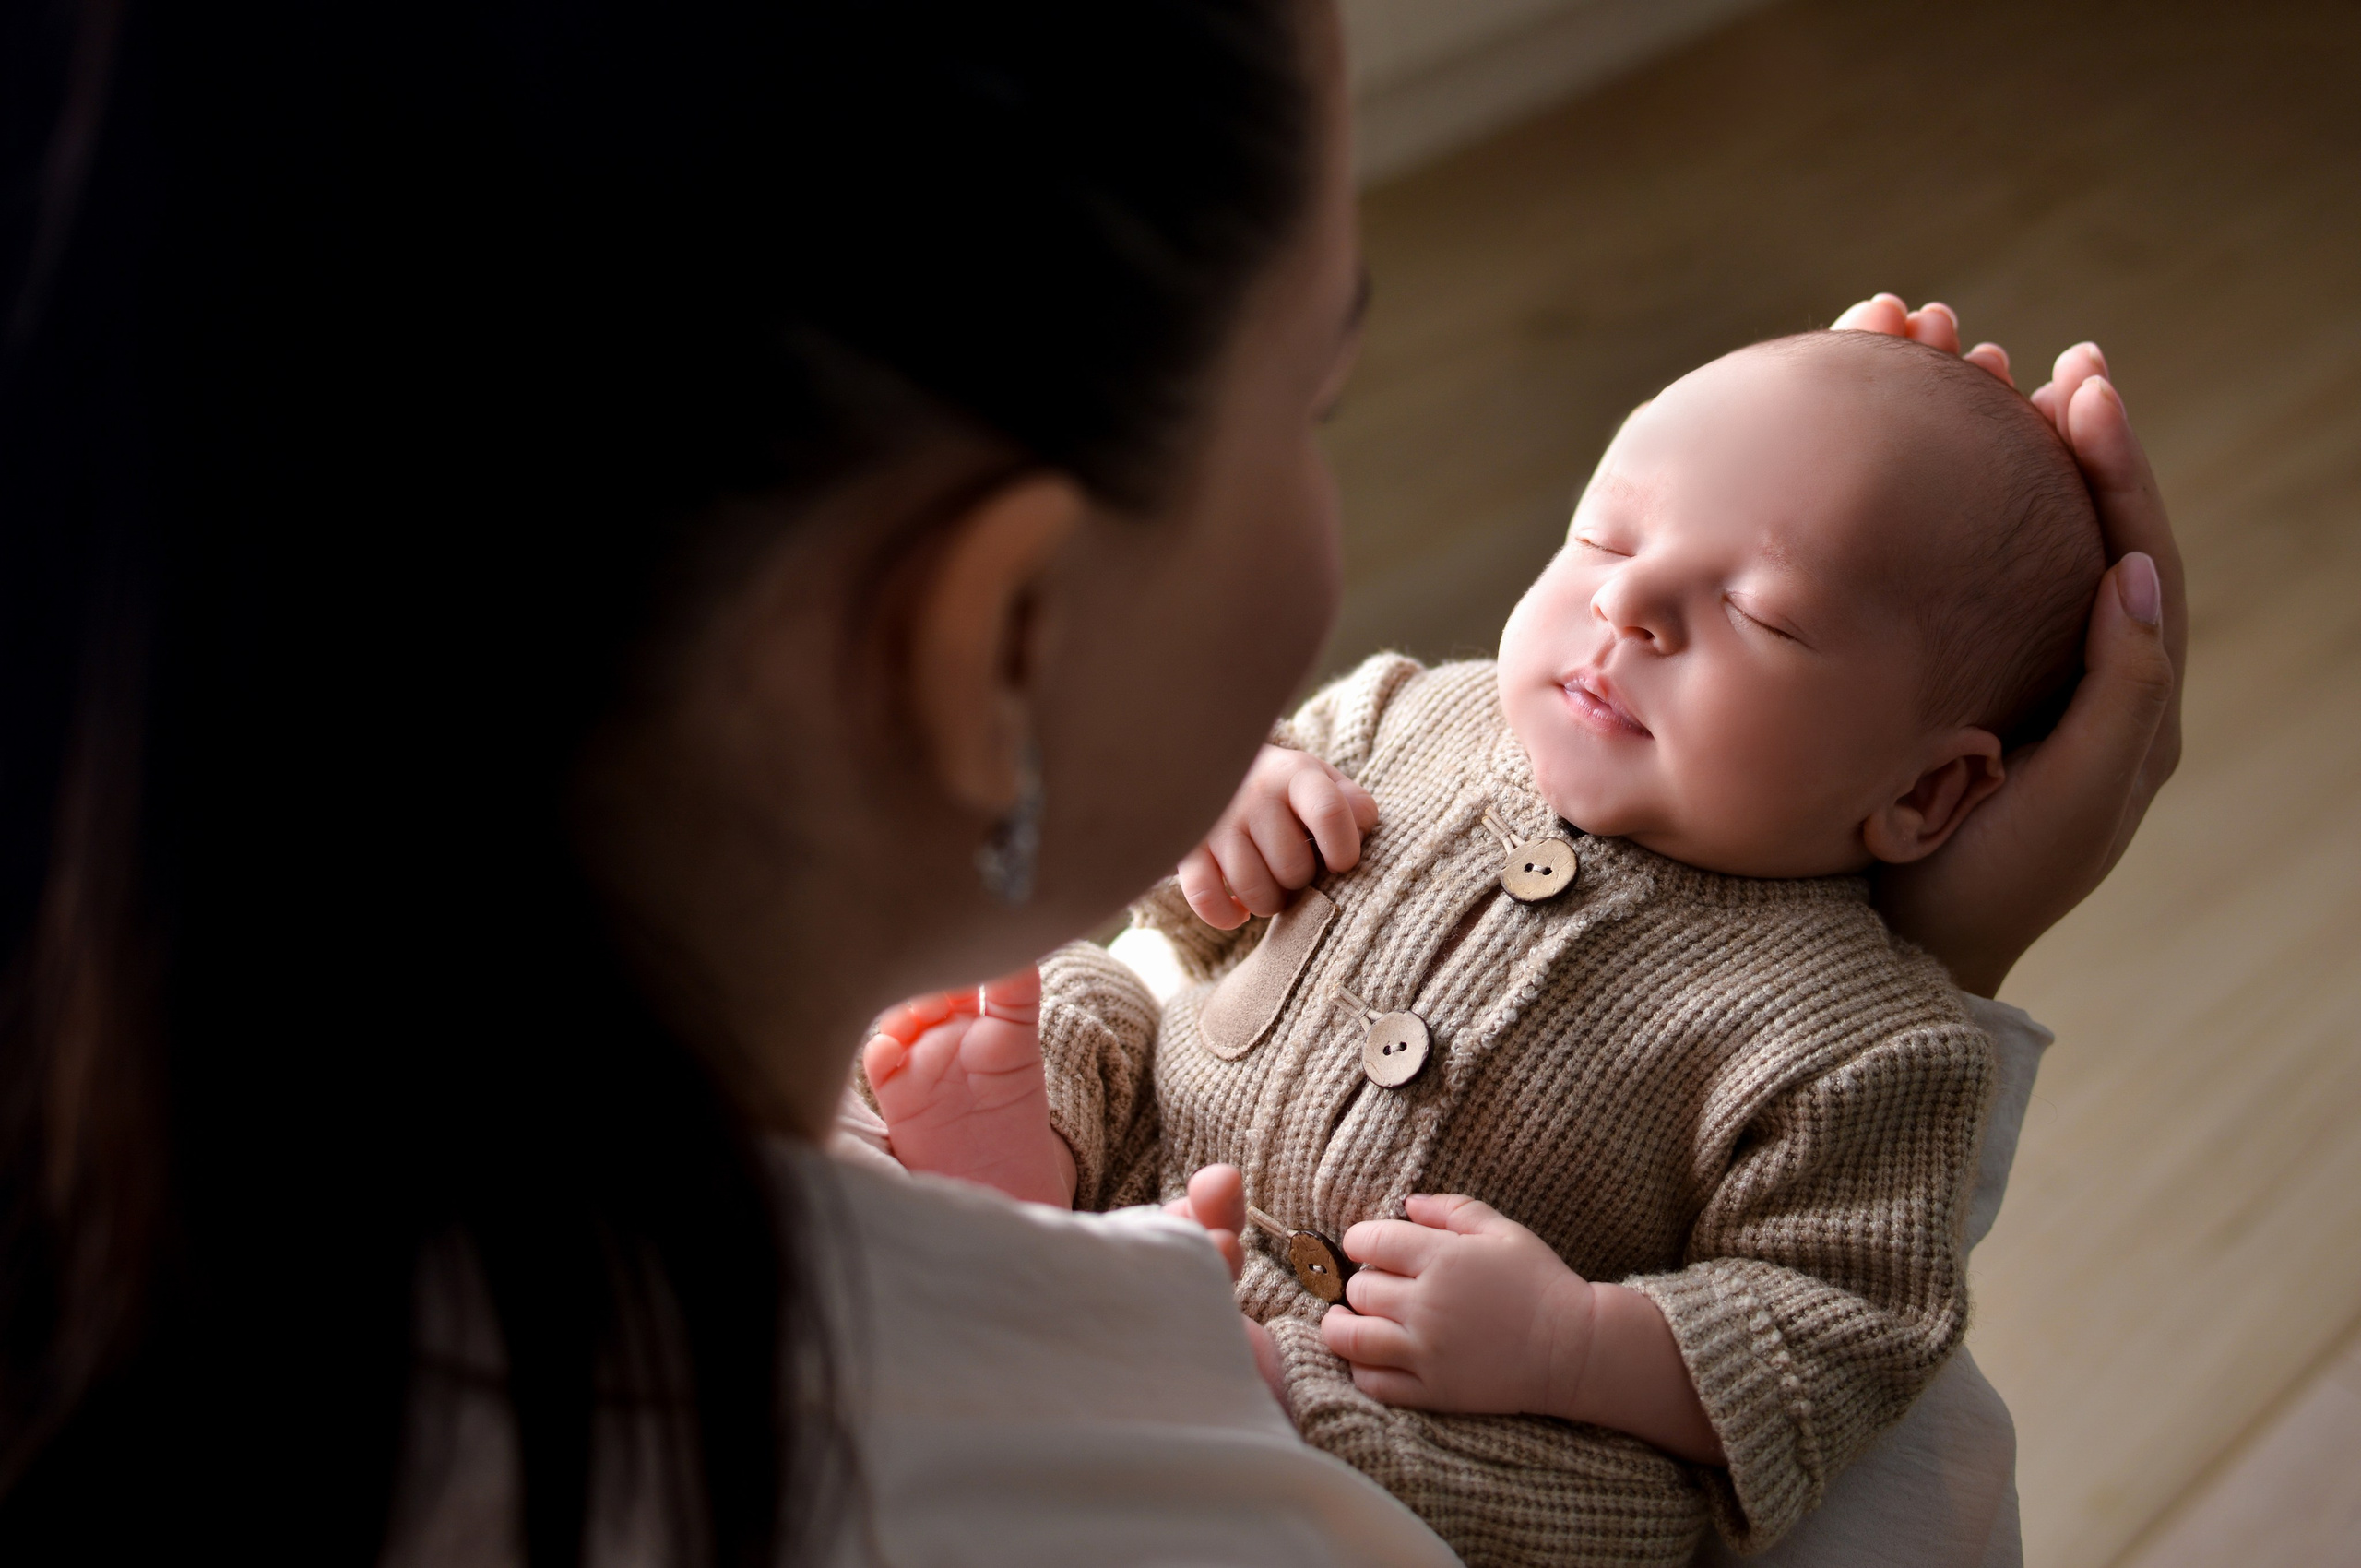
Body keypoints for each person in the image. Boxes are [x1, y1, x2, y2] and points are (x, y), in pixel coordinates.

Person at [0, 0, 2185, 1553]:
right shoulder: (1160, 1499)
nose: (1611, 617)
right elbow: (1892, 1485)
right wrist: (1940, 960)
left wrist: (1860, 986)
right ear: (1001, 635)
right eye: (1315, 395)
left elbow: (1812, 1296)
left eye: (1755, 611)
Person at [860, 327, 2142, 1564]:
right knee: (1077, 1000)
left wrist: (1578, 1343)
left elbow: (1847, 1329)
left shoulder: (1869, 1037)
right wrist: (1224, 825)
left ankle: (1215, 1395)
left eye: (1761, 613)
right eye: (1607, 536)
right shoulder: (1404, 710)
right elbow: (1194, 940)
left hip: (1411, 1389)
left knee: (1612, 1509)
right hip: (1162, 1148)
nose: (1627, 600)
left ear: (1922, 794)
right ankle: (1022, 1172)